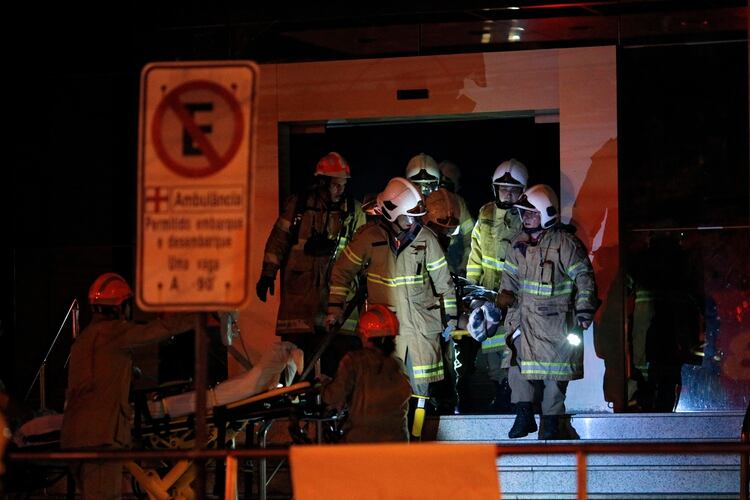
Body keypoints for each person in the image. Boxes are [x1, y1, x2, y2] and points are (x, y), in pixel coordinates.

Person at [326, 177, 457, 435]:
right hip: (386, 332)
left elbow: (444, 282)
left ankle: (415, 442)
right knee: (387, 390)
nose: (414, 221)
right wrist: (334, 306)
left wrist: (450, 317)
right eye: (409, 216)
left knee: (420, 393)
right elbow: (342, 271)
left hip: (419, 331)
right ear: (392, 212)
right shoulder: (369, 238)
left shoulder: (426, 239)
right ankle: (396, 441)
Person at [60, 273, 196, 499]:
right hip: (101, 440)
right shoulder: (115, 332)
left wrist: (130, 372)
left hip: (74, 437)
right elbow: (160, 329)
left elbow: (97, 376)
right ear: (121, 306)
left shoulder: (85, 339)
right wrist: (201, 315)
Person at [499, 185, 598, 439]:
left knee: (556, 375)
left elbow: (584, 278)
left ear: (546, 212)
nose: (526, 217)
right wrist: (502, 301)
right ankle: (524, 415)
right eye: (523, 213)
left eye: (531, 213)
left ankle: (551, 423)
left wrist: (584, 312)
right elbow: (508, 281)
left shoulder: (564, 243)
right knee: (516, 366)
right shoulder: (516, 244)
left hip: (556, 323)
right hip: (523, 321)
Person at [256, 152, 366, 375]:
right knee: (295, 358)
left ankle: (333, 402)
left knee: (338, 357)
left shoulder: (354, 212)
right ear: (322, 182)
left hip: (337, 299)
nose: (340, 190)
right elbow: (278, 240)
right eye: (335, 185)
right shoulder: (298, 207)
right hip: (300, 299)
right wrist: (268, 273)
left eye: (343, 185)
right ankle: (296, 400)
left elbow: (364, 254)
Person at [459, 159, 528, 413]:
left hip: (515, 297)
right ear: (495, 189)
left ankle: (513, 395)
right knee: (490, 351)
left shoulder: (526, 216)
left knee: (514, 350)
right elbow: (476, 255)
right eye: (503, 189)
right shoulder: (485, 213)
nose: (508, 194)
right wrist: (472, 291)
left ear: (523, 191)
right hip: (489, 297)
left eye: (513, 190)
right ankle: (500, 389)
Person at [320, 304, 412, 443]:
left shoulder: (353, 361)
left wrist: (323, 384)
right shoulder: (398, 365)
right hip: (397, 444)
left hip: (361, 444)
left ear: (364, 334)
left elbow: (332, 396)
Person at [406, 154, 474, 275]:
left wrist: (462, 269)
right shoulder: (402, 205)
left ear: (438, 183)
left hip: (448, 270)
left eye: (429, 185)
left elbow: (471, 240)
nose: (423, 191)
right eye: (418, 185)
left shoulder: (454, 203)